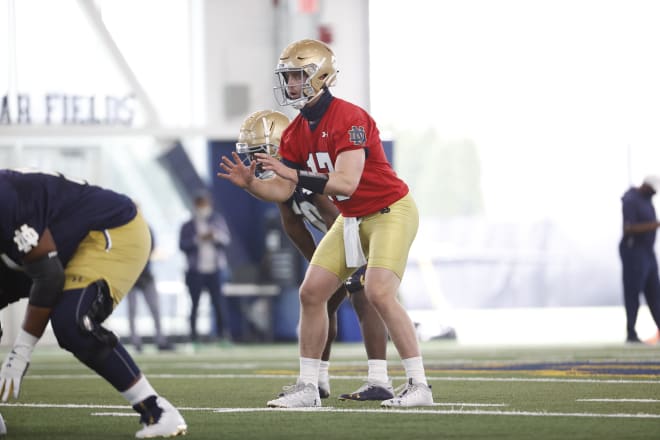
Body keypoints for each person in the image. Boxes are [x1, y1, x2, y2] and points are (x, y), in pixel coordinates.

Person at [218, 39, 433, 408]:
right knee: (312, 291)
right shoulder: (296, 132)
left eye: (299, 76)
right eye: (288, 77)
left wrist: (293, 172)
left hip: (389, 210)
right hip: (352, 218)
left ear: (320, 75)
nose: (292, 84)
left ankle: (419, 386)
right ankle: (308, 387)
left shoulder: (350, 118)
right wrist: (253, 185)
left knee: (378, 292)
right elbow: (284, 189)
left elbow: (346, 183)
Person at [0, 169, 186, 438]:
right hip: (62, 246)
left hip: (111, 229)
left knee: (72, 323)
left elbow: (49, 277)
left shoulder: (6, 198)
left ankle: (158, 411)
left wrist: (20, 353)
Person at [235, 109, 394, 401]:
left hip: (364, 229)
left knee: (362, 294)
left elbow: (338, 218)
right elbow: (294, 228)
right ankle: (317, 381)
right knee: (321, 299)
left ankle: (379, 379)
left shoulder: (307, 174)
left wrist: (347, 264)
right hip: (343, 237)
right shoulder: (283, 184)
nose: (255, 162)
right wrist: (319, 265)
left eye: (260, 153)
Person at [179, 190, 231, 343]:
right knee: (194, 304)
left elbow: (226, 240)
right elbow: (182, 245)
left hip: (215, 270)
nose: (203, 207)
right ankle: (194, 336)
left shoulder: (217, 221)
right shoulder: (187, 225)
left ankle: (224, 335)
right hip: (195, 271)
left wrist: (214, 236)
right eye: (200, 204)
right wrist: (197, 239)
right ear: (196, 205)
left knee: (219, 304)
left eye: (205, 204)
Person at [619, 175, 660, 344]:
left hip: (648, 252)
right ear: (646, 186)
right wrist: (654, 225)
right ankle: (631, 333)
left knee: (655, 293)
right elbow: (628, 227)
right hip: (633, 252)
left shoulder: (646, 200)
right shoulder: (631, 200)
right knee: (633, 292)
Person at [126, 225, 174, 352]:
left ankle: (160, 340)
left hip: (145, 275)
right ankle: (135, 342)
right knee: (132, 310)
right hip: (130, 275)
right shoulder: (124, 230)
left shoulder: (146, 229)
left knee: (155, 308)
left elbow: (150, 248)